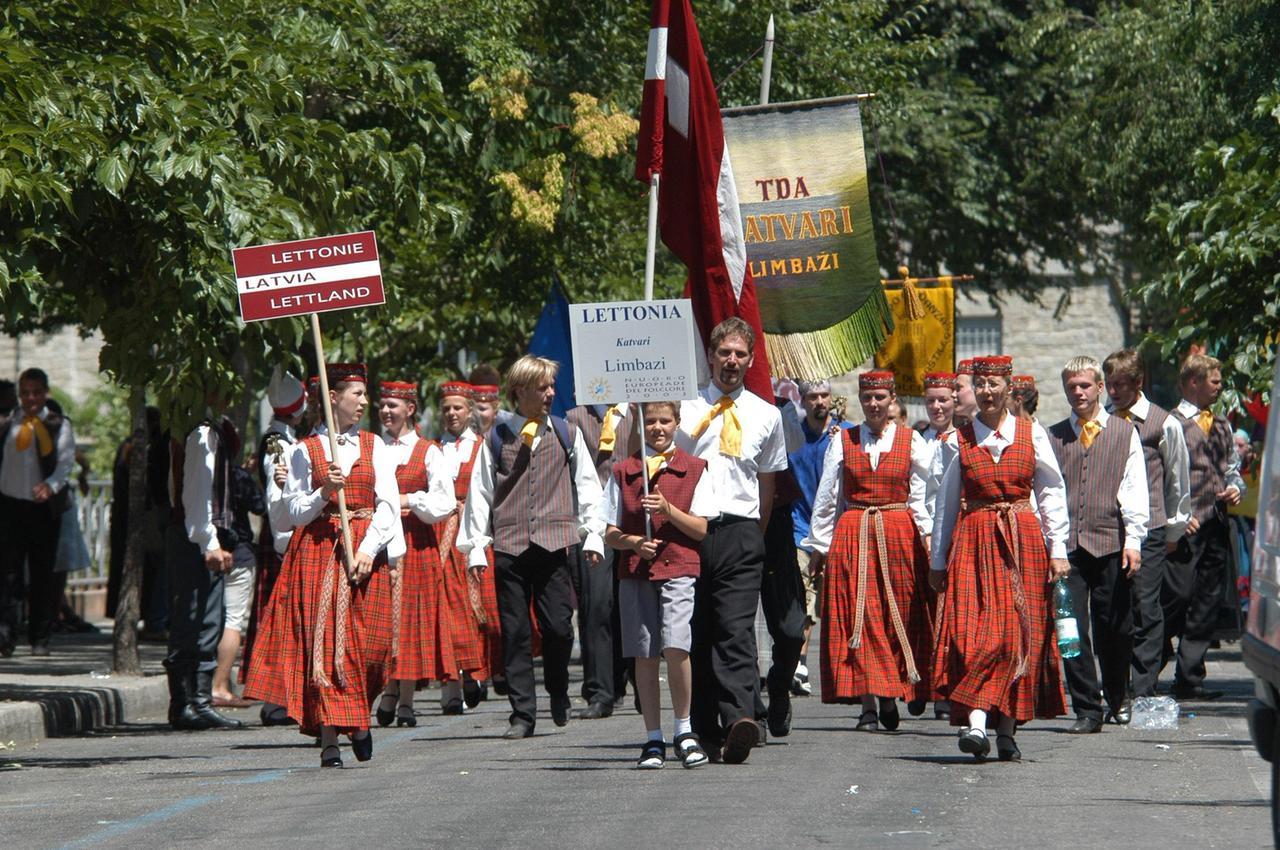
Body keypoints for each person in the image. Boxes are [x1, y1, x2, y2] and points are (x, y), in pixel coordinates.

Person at [243, 363, 405, 768]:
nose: (364, 402)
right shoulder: (303, 450)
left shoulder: (375, 446)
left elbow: (387, 505)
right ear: (333, 398)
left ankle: (359, 718)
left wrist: (368, 549)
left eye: (365, 395)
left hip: (364, 552)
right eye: (357, 395)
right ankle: (330, 741)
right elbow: (294, 512)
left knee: (372, 648)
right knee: (324, 648)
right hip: (318, 552)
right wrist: (325, 491)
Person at [930, 355, 1070, 762]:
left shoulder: (1032, 434)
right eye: (981, 385)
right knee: (976, 635)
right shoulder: (959, 440)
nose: (988, 392)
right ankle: (976, 721)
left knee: (1016, 636)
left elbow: (1051, 493)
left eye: (995, 384)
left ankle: (1006, 730)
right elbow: (944, 504)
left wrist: (1058, 550)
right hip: (974, 542)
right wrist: (938, 561)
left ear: (1009, 387)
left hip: (1023, 540)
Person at [459, 355, 606, 739]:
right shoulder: (497, 436)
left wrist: (593, 533)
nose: (551, 393)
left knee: (559, 628)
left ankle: (558, 690)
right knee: (516, 633)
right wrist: (476, 546)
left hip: (555, 545)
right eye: (543, 387)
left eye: (552, 386)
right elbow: (480, 492)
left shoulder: (565, 432)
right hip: (510, 547)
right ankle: (522, 714)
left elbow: (588, 486)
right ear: (520, 391)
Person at [676, 317, 788, 765]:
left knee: (735, 627)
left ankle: (741, 716)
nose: (732, 361)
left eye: (741, 354)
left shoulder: (767, 414)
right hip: (690, 527)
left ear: (751, 359)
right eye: (725, 352)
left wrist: (753, 534)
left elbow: (767, 482)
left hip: (741, 530)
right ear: (711, 356)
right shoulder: (684, 408)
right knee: (698, 629)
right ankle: (704, 728)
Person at [804, 371, 934, 731]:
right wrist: (820, 545)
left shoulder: (911, 441)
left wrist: (927, 535)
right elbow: (828, 496)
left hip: (897, 534)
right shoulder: (844, 441)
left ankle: (891, 690)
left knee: (897, 613)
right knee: (857, 613)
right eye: (867, 398)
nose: (874, 405)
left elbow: (927, 491)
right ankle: (868, 706)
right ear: (860, 401)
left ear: (892, 399)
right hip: (854, 533)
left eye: (880, 397)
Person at [604, 401, 716, 769]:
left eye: (664, 421)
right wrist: (633, 542)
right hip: (636, 571)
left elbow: (700, 528)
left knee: (675, 645)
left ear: (677, 423)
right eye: (650, 421)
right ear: (640, 425)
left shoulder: (695, 468)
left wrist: (669, 511)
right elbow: (610, 531)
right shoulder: (624, 470)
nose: (657, 428)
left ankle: (684, 729)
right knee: (644, 652)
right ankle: (653, 737)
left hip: (679, 567)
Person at [1047, 356, 1148, 733]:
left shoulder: (1124, 434)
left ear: (1100, 387)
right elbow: (1044, 491)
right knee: (1070, 627)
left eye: (1085, 385)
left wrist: (1134, 539)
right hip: (1067, 547)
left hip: (1110, 542)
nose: (1078, 392)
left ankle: (1117, 694)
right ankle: (1086, 707)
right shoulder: (1052, 435)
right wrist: (1052, 544)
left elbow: (1134, 489)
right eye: (1072, 386)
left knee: (1115, 627)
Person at [1102, 350, 1190, 703]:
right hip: (1111, 527)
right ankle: (1118, 685)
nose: (1112, 392)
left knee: (1146, 605)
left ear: (1138, 383)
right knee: (1116, 607)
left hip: (1151, 525)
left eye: (1120, 384)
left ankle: (1143, 688)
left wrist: (1173, 528)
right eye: (1109, 385)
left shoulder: (1160, 422)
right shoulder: (1105, 421)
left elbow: (1177, 479)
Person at [373, 380, 460, 725]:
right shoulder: (375, 447)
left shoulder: (428, 451)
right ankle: (389, 689)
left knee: (409, 622)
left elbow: (444, 501)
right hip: (380, 541)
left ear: (409, 410)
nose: (385, 412)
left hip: (416, 543)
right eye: (383, 405)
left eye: (392, 406)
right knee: (384, 621)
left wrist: (407, 500)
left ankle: (404, 696)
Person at [1162, 353, 1246, 699]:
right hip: (1183, 528)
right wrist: (1176, 515)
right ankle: (1151, 658)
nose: (1220, 387)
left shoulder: (1223, 425)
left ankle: (1190, 678)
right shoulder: (1171, 422)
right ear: (1193, 382)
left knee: (1207, 601)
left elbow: (1232, 470)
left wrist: (1235, 488)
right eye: (1215, 381)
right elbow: (1161, 476)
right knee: (1176, 595)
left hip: (1215, 525)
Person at [163, 398, 246, 731]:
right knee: (192, 618)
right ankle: (184, 703)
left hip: (202, 533)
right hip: (195, 536)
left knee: (207, 620)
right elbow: (197, 491)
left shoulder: (208, 426)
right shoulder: (200, 431)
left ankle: (197, 700)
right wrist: (209, 542)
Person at [243, 368, 308, 726]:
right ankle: (274, 699)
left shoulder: (283, 438)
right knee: (279, 617)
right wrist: (286, 543)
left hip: (280, 536)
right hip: (281, 538)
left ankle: (281, 697)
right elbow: (275, 497)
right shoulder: (279, 444)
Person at [0, 368, 77, 657]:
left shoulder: (58, 424)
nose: (29, 398)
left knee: (43, 573)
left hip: (42, 507)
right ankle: (5, 635)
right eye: (24, 393)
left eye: (35, 392)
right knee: (7, 573)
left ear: (45, 393)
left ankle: (40, 637)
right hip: (9, 505)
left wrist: (51, 485)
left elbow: (66, 463)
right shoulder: (9, 423)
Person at [566, 400, 635, 719]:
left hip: (634, 520)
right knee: (596, 605)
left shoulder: (639, 412)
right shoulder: (575, 419)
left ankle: (635, 681)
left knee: (634, 604)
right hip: (594, 523)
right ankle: (599, 691)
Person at [436, 380, 502, 706]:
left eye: (458, 408)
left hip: (475, 535)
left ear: (469, 411)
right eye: (447, 408)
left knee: (480, 609)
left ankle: (479, 672)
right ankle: (453, 686)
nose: (452, 414)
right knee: (448, 611)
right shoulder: (433, 449)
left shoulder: (482, 447)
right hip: (441, 538)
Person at [787, 380, 852, 698]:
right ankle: (799, 664)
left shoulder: (846, 434)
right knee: (805, 598)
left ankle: (848, 671)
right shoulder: (795, 437)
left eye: (824, 395)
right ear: (802, 400)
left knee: (842, 603)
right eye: (812, 396)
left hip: (842, 530)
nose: (819, 402)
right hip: (802, 529)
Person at [210, 458, 266, 707]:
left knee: (212, 618)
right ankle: (219, 686)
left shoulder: (205, 471)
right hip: (239, 552)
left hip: (210, 551)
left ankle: (207, 686)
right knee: (233, 620)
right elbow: (260, 506)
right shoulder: (237, 475)